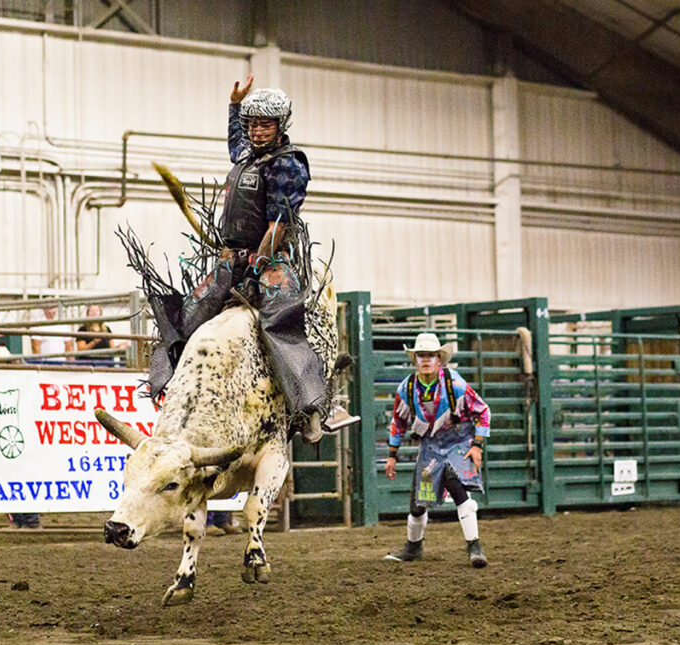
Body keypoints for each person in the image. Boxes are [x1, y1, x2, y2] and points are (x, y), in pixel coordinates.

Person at [147, 75, 350, 442]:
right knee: (187, 312)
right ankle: (170, 388)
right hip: (229, 259)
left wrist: (261, 262)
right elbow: (235, 141)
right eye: (253, 124)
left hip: (271, 262)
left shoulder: (288, 165)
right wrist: (234, 105)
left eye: (264, 124)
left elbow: (279, 222)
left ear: (280, 125)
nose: (257, 131)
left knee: (280, 325)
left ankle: (311, 408)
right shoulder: (245, 156)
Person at [383, 333, 491, 568]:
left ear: (439, 359)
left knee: (459, 490)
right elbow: (398, 422)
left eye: (431, 355)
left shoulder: (456, 385)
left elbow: (483, 411)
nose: (426, 359)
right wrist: (392, 456)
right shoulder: (407, 388)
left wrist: (477, 445)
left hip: (458, 443)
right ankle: (413, 548)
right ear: (415, 360)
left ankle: (475, 547)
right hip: (430, 446)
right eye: (421, 355)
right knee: (419, 503)